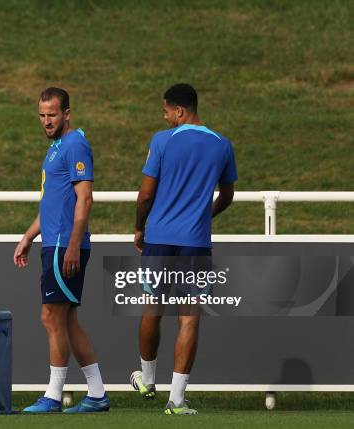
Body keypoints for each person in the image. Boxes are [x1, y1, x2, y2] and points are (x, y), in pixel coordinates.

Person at [130, 83, 237, 415]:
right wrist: (205, 215)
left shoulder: (162, 141)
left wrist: (138, 228)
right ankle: (176, 400)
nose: (165, 118)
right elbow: (228, 194)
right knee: (189, 320)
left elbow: (146, 194)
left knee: (152, 309)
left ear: (180, 110)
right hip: (195, 242)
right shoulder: (222, 145)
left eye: (166, 111)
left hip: (159, 239)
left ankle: (147, 380)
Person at [13, 88, 109, 413]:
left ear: (67, 113)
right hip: (53, 243)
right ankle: (97, 394)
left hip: (63, 246)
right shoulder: (56, 148)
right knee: (67, 321)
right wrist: (28, 236)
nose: (46, 121)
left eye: (52, 115)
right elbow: (52, 203)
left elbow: (85, 198)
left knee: (50, 316)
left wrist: (72, 245)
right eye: (41, 115)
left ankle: (53, 396)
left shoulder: (75, 144)